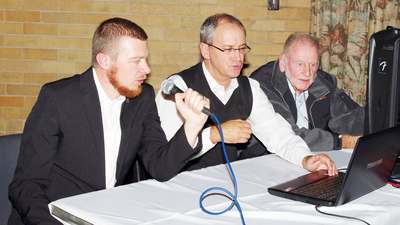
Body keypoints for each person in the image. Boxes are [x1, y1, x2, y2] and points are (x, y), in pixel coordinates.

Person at [8, 18, 210, 224]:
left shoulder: (143, 98)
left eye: (146, 59)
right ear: (104, 61)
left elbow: (160, 167)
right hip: (53, 216)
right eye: (136, 60)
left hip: (105, 213)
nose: (147, 69)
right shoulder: (58, 98)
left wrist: (192, 126)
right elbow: (26, 185)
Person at [155, 13, 337, 175]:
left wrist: (306, 159)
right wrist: (214, 134)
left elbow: (277, 135)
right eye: (228, 49)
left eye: (242, 48)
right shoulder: (179, 88)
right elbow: (162, 160)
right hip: (180, 186)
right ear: (205, 50)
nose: (238, 57)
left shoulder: (248, 88)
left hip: (227, 185)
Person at [250, 34, 364, 151]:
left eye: (312, 65)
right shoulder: (262, 85)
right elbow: (287, 136)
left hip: (315, 156)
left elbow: (349, 116)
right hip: (268, 158)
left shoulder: (324, 83)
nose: (307, 72)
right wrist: (340, 141)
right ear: (283, 62)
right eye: (300, 64)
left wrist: (378, 114)